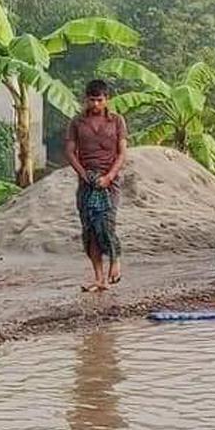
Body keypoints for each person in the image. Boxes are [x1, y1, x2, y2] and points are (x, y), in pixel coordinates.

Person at [66, 80, 128, 292]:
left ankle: (115, 262)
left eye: (99, 100)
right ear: (86, 99)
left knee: (106, 224)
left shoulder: (117, 121)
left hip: (109, 182)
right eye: (91, 100)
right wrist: (83, 174)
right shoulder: (77, 122)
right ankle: (98, 278)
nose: (95, 105)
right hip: (87, 182)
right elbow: (70, 151)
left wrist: (109, 177)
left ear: (106, 99)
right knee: (90, 229)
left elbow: (122, 153)